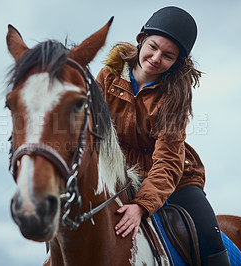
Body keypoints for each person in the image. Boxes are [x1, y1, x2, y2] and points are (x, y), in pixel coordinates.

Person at [96, 6, 230, 265]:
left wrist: (142, 206)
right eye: (153, 47)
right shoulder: (107, 76)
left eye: (168, 55)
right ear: (141, 39)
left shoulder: (175, 95)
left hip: (173, 174)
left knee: (208, 235)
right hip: (118, 169)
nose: (156, 58)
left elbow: (168, 161)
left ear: (177, 62)